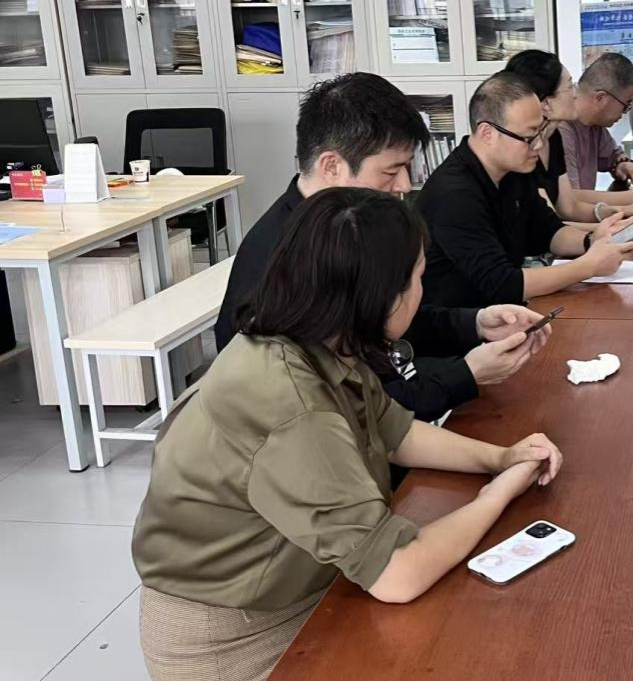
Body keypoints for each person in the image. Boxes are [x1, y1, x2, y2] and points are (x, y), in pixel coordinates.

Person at [134, 188, 564, 681]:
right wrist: (498, 493)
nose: (422, 291)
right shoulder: (294, 406)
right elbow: (398, 573)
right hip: (234, 639)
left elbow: (394, 430)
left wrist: (501, 458)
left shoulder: (316, 340)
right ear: (380, 296)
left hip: (291, 587)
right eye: (418, 278)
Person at [214, 73, 548, 423]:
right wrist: (466, 374)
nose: (403, 185)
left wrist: (477, 323)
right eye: (392, 171)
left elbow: (388, 320)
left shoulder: (346, 227)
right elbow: (357, 404)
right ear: (332, 166)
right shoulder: (294, 260)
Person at [417, 71, 633, 308]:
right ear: (487, 133)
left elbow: (548, 231)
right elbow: (502, 284)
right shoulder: (455, 194)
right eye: (529, 137)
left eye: (540, 132)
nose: (539, 144)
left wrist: (594, 240)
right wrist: (589, 266)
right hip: (461, 320)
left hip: (502, 313)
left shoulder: (512, 171)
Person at [504, 49, 633, 234]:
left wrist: (620, 213)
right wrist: (626, 222)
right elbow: (550, 225)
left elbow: (569, 207)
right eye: (570, 87)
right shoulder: (544, 141)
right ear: (545, 103)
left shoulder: (553, 138)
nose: (576, 94)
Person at [557, 52, 633, 209]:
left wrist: (623, 164)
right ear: (600, 98)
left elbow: (613, 156)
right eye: (626, 105)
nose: (625, 112)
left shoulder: (594, 125)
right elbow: (570, 199)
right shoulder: (560, 130)